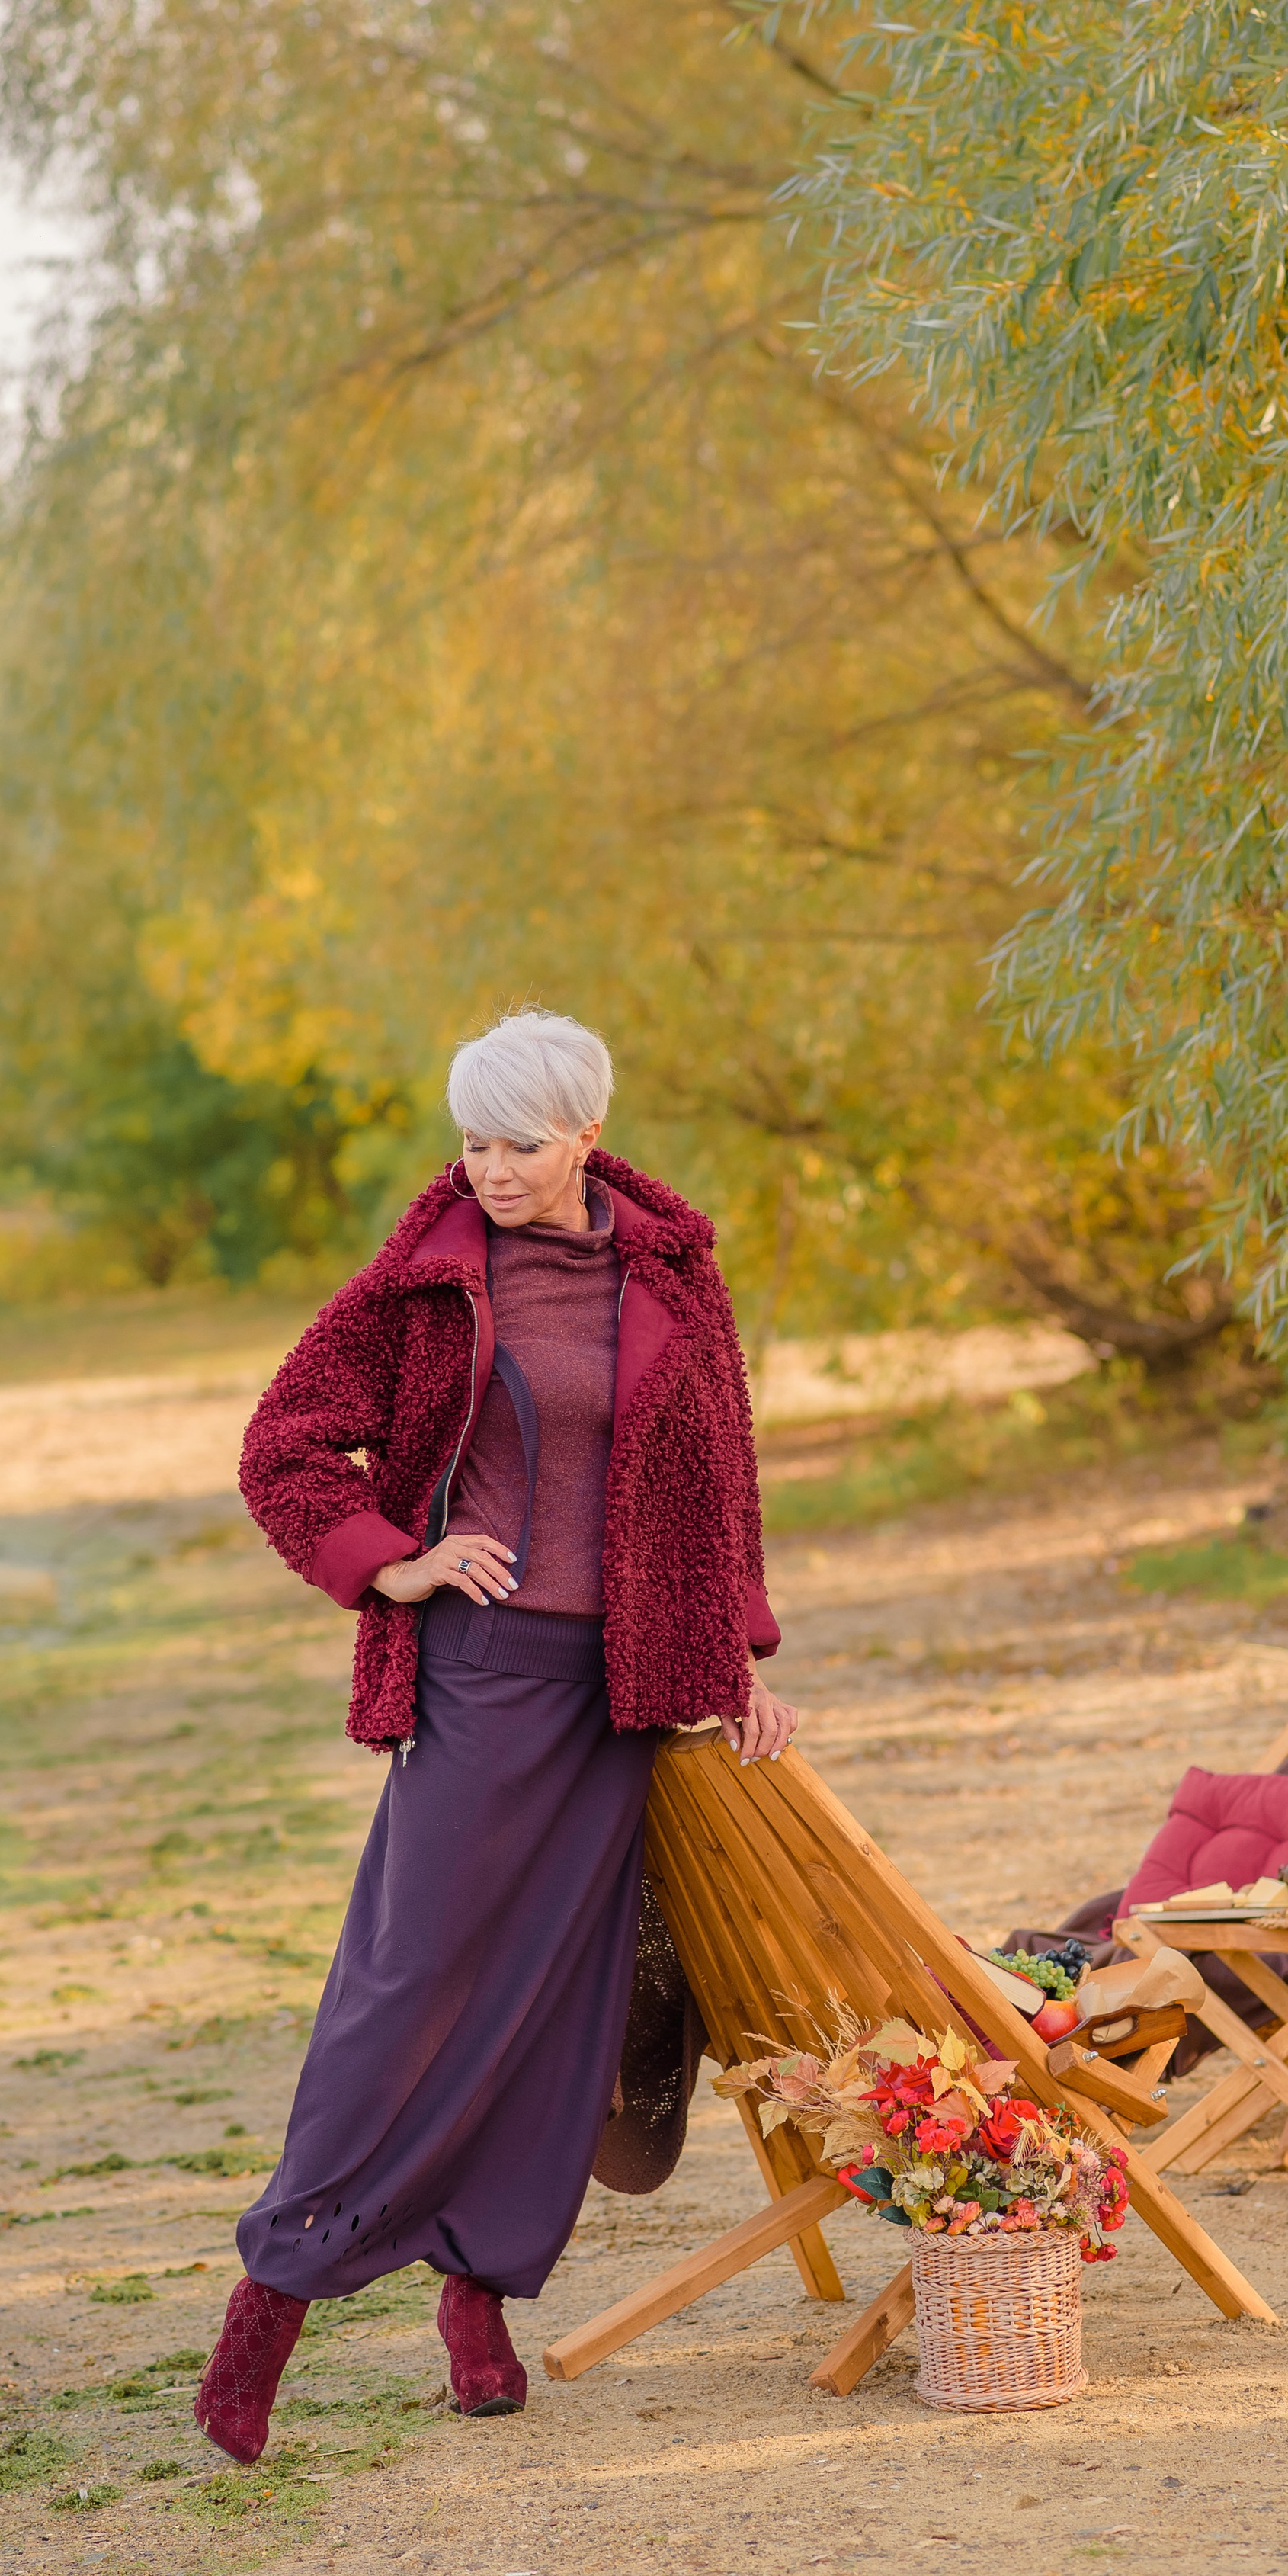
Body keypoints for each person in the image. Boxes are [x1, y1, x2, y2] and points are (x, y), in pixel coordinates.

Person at [194, 1008, 799, 2458]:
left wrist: (739, 1659)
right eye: (473, 1142)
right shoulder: (426, 1278)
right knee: (407, 1985)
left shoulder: (674, 1270)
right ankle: (272, 2297)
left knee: (560, 2007)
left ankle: (479, 2301)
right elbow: (283, 1446)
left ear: (588, 1134)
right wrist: (394, 1562)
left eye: (522, 1144)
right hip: (480, 1675)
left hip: (627, 1689)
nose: (493, 1169)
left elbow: (720, 1481)